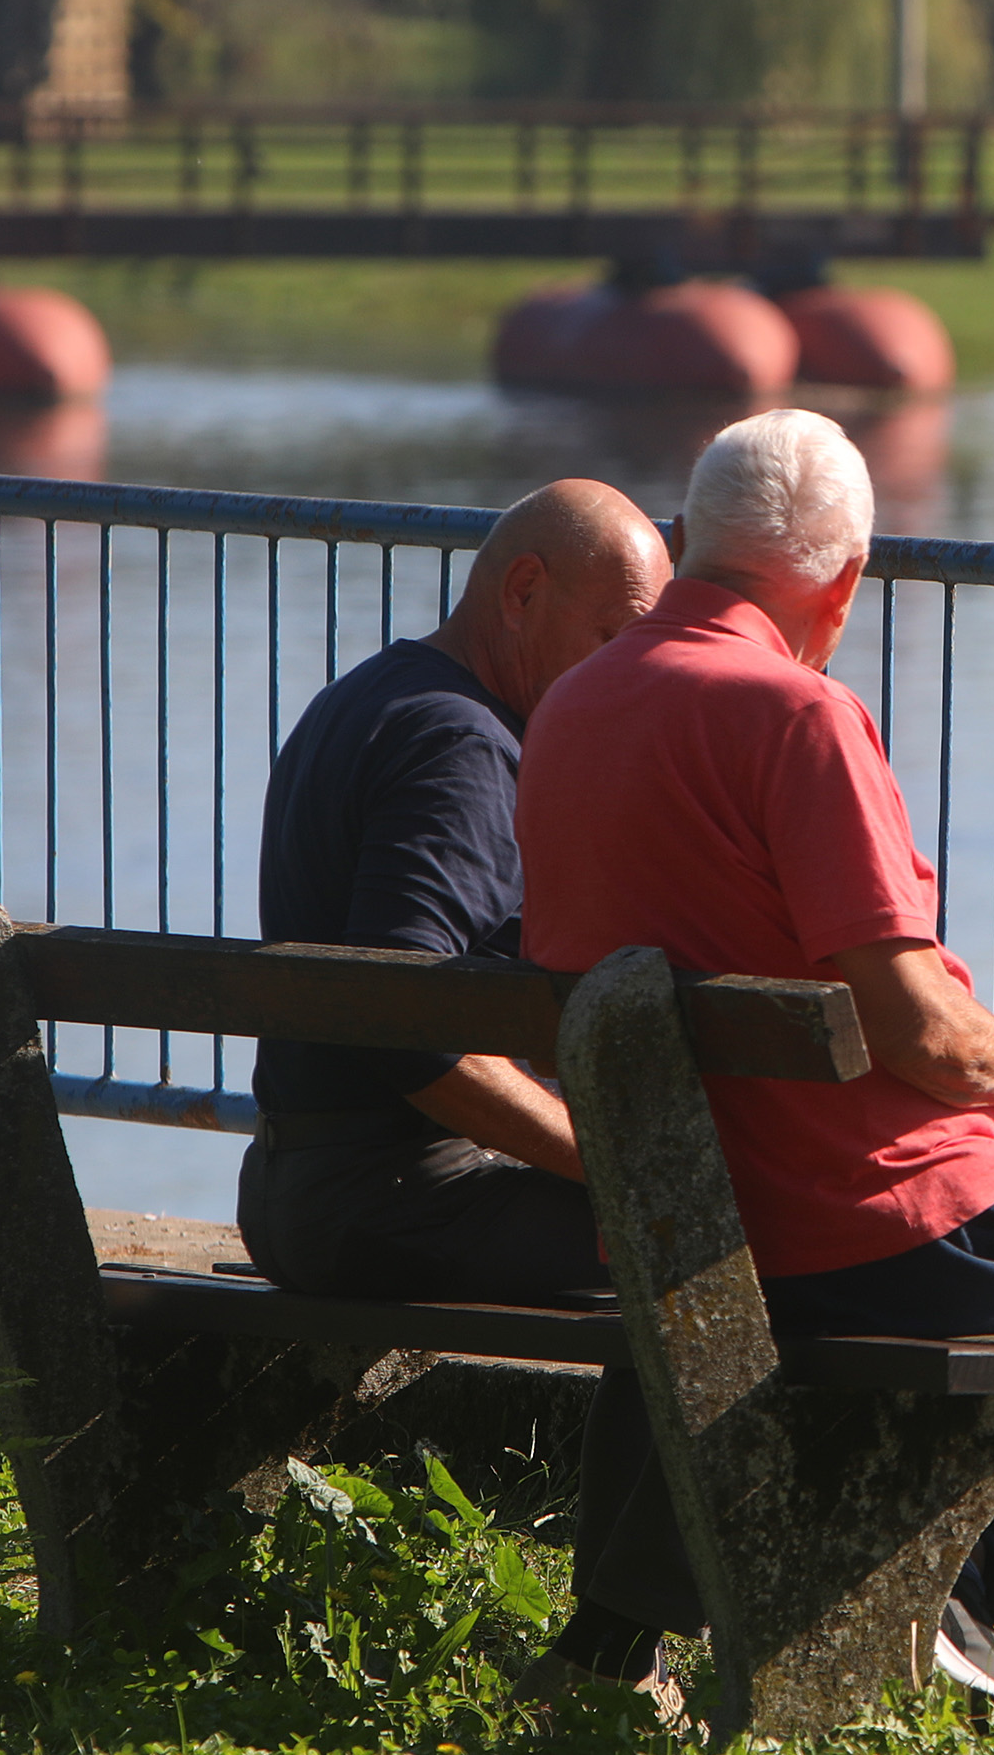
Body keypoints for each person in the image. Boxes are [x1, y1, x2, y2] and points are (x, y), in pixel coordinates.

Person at [517, 408, 994, 1713]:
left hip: (691, 1236)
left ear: (688, 541)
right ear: (844, 579)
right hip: (879, 1231)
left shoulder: (572, 707)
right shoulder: (799, 716)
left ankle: (969, 1626)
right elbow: (917, 1029)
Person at [233, 478, 669, 1306]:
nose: (621, 674)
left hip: (296, 1188)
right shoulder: (462, 747)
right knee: (721, 1252)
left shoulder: (368, 695)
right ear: (523, 591)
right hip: (390, 1205)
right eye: (610, 637)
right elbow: (407, 1022)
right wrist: (623, 1165)